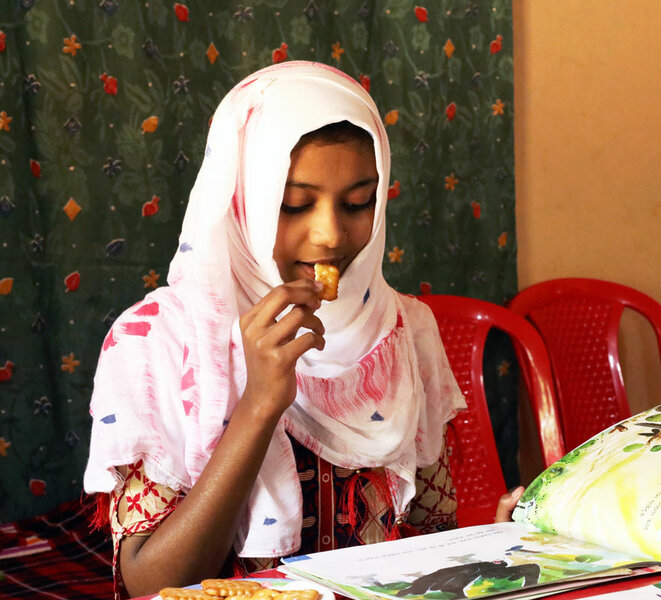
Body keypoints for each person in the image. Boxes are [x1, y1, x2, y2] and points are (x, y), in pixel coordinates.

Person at [83, 61, 469, 599]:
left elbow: (432, 535)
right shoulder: (156, 342)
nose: (330, 234)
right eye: (293, 204)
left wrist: (494, 543)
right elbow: (149, 583)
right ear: (241, 199)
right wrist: (260, 403)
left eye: (358, 202)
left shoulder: (403, 329)